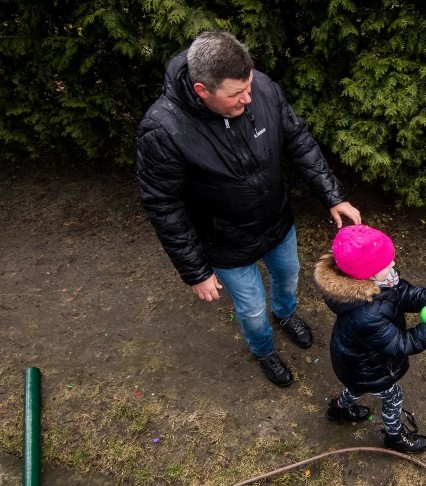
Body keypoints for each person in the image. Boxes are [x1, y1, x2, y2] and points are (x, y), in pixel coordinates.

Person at [136, 31, 360, 387]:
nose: (248, 98)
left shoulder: (264, 90)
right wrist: (195, 271)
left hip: (277, 222)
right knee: (253, 309)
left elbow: (298, 141)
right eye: (236, 94)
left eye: (249, 86)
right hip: (225, 241)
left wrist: (333, 195)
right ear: (202, 91)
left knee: (288, 277)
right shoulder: (163, 129)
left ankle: (285, 315)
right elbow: (164, 205)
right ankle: (263, 349)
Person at [313, 225, 426, 453]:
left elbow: (404, 294)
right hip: (370, 369)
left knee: (356, 387)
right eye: (387, 263)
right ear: (367, 273)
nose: (393, 265)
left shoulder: (380, 283)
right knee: (393, 397)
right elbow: (401, 344)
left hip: (354, 364)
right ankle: (394, 437)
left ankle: (338, 409)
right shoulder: (367, 313)